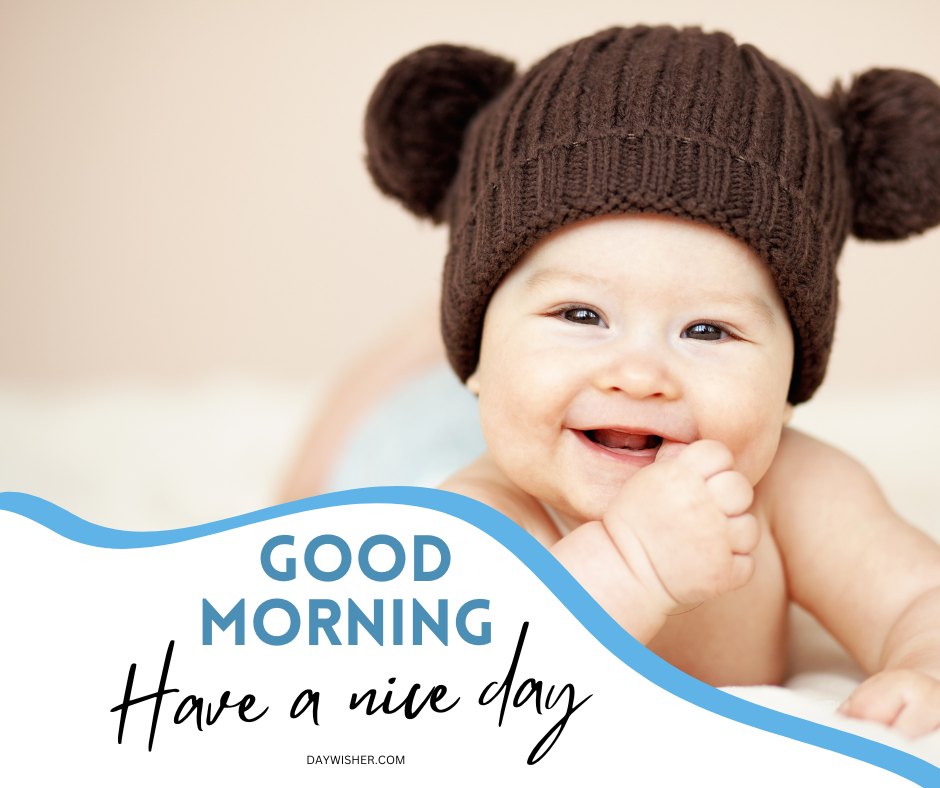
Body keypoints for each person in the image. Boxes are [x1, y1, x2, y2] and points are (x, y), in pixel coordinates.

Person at [287, 25, 940, 736]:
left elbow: (919, 593)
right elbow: (448, 702)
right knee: (313, 484)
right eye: (581, 312)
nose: (638, 374)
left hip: (546, 398)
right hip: (413, 450)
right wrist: (635, 566)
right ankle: (424, 340)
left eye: (707, 331)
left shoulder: (795, 489)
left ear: (790, 385)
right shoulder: (479, 517)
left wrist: (924, 663)